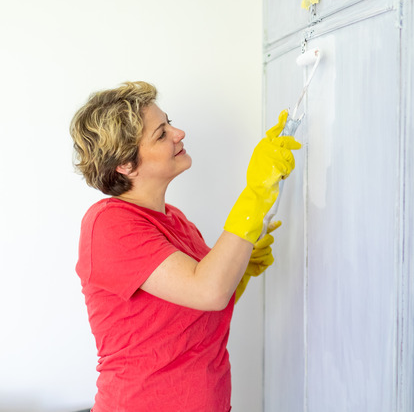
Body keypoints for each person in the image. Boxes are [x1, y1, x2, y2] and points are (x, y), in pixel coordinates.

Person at [69, 81, 300, 411]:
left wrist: (240, 268)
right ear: (126, 164)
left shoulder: (174, 220)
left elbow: (202, 306)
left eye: (169, 123)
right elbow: (209, 291)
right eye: (161, 134)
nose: (179, 133)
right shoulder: (108, 225)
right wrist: (256, 193)